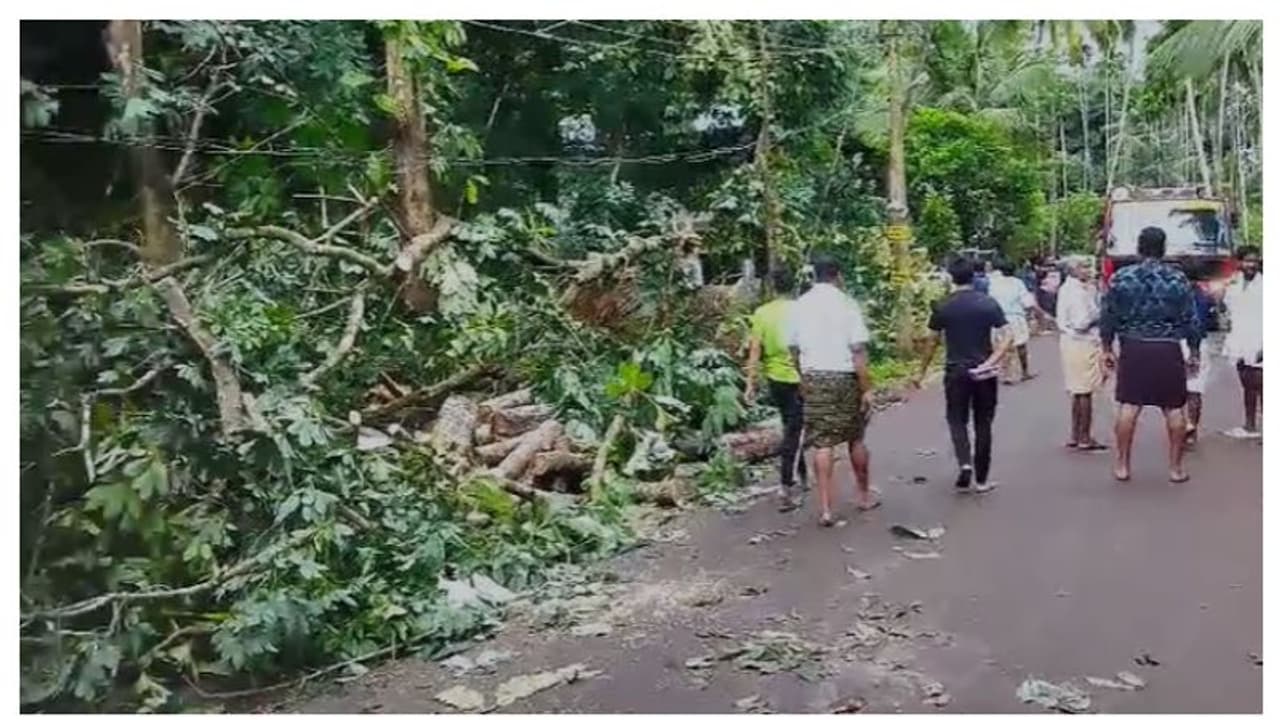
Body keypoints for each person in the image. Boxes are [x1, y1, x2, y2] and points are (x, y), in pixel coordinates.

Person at [1100, 226, 1201, 483]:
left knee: (1129, 406)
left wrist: (1106, 348)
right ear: (1164, 248)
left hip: (1134, 346)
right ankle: (1176, 469)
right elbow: (1191, 320)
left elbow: (1108, 315)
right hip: (1167, 347)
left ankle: (1122, 465)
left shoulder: (1122, 278)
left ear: (1139, 247)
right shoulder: (1178, 279)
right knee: (1175, 409)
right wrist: (1194, 351)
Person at [785, 256, 877, 526]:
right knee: (856, 438)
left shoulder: (799, 306)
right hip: (845, 377)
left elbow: (793, 349)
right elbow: (858, 350)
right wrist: (866, 388)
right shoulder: (847, 304)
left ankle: (825, 508)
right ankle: (862, 495)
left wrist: (802, 377)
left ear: (815, 275)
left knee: (822, 443)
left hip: (814, 377)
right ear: (838, 275)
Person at [913, 256, 1013, 493]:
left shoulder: (942, 305)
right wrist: (991, 361)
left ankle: (965, 463)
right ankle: (982, 480)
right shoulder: (988, 303)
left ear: (951, 277)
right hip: (984, 372)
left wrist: (921, 372)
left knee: (957, 420)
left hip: (955, 370)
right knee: (983, 423)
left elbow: (932, 342)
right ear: (974, 276)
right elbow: (1008, 336)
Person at [744, 267, 808, 511]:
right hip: (799, 377)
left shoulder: (762, 313)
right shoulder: (801, 310)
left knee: (792, 426)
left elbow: (755, 349)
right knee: (795, 431)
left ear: (772, 287)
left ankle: (802, 476)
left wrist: (751, 382)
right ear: (793, 286)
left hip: (775, 378)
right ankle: (786, 485)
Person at [1056, 257, 1108, 452]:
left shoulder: (1074, 288)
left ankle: (1076, 435)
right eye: (1084, 267)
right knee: (1084, 391)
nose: (1089, 270)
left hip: (1073, 342)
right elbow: (1081, 322)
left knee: (1078, 391)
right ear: (1074, 270)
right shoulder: (1077, 292)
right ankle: (1084, 437)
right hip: (1082, 341)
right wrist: (1099, 315)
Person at [1220, 245, 1263, 439]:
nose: (1251, 264)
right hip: (1240, 341)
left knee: (1262, 385)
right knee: (1247, 385)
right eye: (1247, 260)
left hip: (1261, 341)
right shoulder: (1234, 285)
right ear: (1239, 263)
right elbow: (1226, 310)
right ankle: (1250, 425)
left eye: (1254, 260)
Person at [988, 257, 1046, 384]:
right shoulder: (1017, 283)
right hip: (1015, 318)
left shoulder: (993, 283)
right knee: (1021, 345)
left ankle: (1005, 374)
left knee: (1001, 347)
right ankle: (1024, 372)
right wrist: (1039, 314)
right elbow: (1028, 302)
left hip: (998, 318)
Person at [1183, 279, 1215, 448]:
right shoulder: (1204, 295)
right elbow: (1211, 321)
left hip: (1176, 343)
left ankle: (1180, 429)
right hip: (1199, 344)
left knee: (1177, 391)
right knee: (1195, 389)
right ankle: (1191, 432)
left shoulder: (1173, 294)